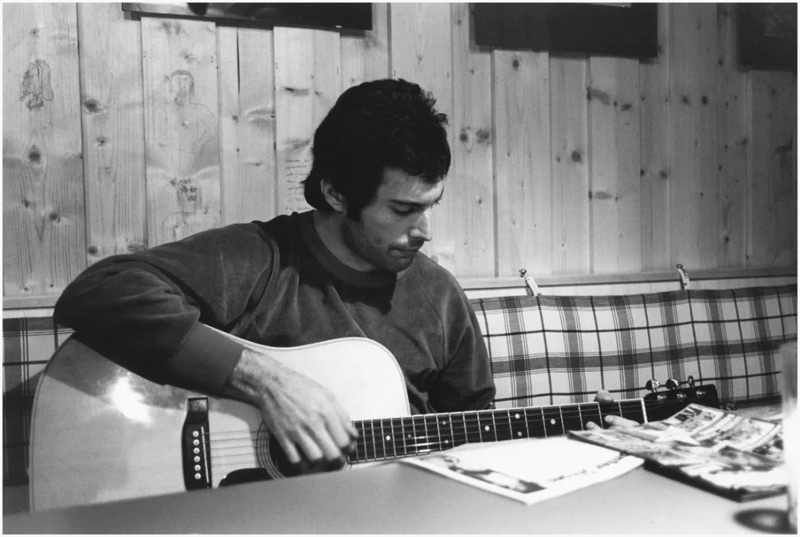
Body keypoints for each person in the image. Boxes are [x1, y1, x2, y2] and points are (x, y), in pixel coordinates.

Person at [54, 78, 628, 474]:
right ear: (335, 192)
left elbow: (474, 429)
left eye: (431, 206)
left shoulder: (439, 297)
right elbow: (98, 294)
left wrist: (580, 434)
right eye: (403, 211)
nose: (425, 230)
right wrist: (267, 383)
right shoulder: (261, 259)